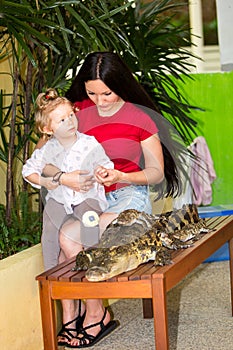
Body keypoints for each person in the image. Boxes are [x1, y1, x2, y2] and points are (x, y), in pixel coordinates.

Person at [41, 52, 182, 348]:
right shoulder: (77, 111)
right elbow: (45, 152)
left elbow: (156, 173)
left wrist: (122, 175)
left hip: (127, 197)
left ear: (120, 84)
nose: (100, 101)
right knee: (68, 239)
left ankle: (93, 315)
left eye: (107, 92)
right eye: (92, 93)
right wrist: (50, 114)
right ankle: (96, 313)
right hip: (91, 198)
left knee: (86, 233)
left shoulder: (139, 116)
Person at [22, 88, 114, 270]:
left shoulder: (89, 143)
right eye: (62, 120)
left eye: (71, 115)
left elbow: (105, 164)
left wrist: (101, 172)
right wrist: (45, 182)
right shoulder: (46, 150)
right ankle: (50, 274)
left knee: (89, 221)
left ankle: (94, 264)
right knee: (49, 228)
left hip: (86, 196)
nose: (70, 122)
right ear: (47, 129)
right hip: (59, 198)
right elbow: (28, 170)